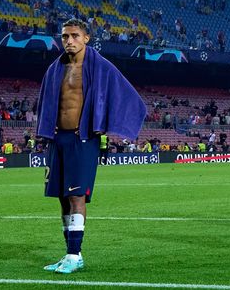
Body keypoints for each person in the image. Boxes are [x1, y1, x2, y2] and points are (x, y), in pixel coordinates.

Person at [36, 18, 146, 274]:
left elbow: (126, 94)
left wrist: (109, 124)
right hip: (58, 139)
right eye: (65, 36)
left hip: (82, 138)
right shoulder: (55, 69)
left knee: (76, 195)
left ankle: (75, 255)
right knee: (62, 198)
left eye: (74, 35)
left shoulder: (101, 67)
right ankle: (69, 253)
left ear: (86, 38)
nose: (69, 41)